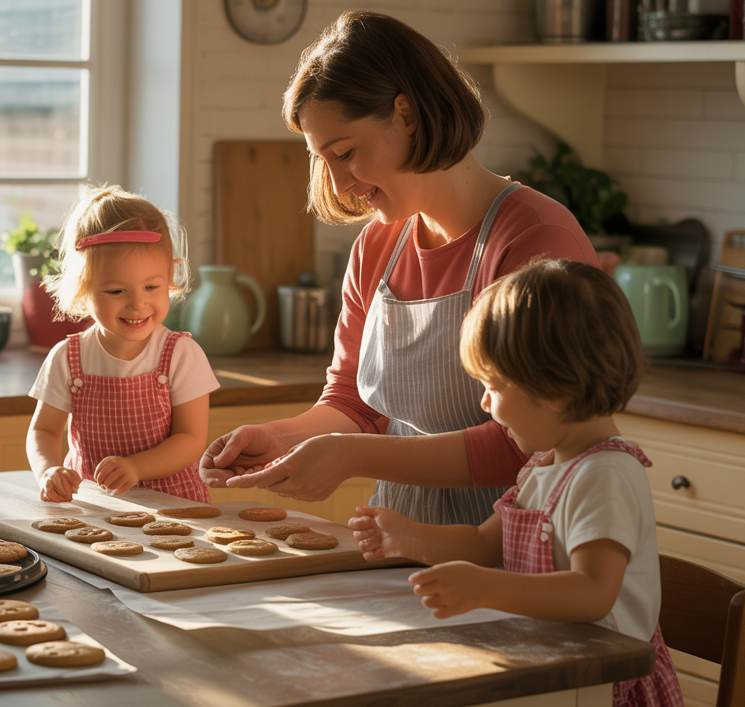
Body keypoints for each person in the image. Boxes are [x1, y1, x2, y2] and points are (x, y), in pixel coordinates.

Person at [200, 10, 599, 526]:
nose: (340, 184)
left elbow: (533, 442)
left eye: (345, 152)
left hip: (517, 550)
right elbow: (354, 404)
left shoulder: (534, 240)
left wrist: (351, 458)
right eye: (324, 161)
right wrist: (278, 437)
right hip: (399, 537)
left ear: (406, 114)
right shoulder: (378, 246)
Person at [350, 259, 687, 707]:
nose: (484, 403)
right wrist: (405, 536)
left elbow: (592, 593)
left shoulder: (605, 473)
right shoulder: (546, 464)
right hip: (555, 673)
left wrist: (485, 589)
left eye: (494, 386)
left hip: (603, 693)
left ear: (557, 391)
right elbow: (481, 544)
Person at [27, 185, 218, 502]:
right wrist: (48, 469)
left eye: (152, 286)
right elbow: (43, 431)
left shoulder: (181, 355)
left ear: (170, 278)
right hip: (93, 505)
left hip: (172, 505)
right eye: (117, 291)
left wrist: (136, 467)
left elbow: (191, 438)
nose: (138, 304)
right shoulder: (68, 357)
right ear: (84, 290)